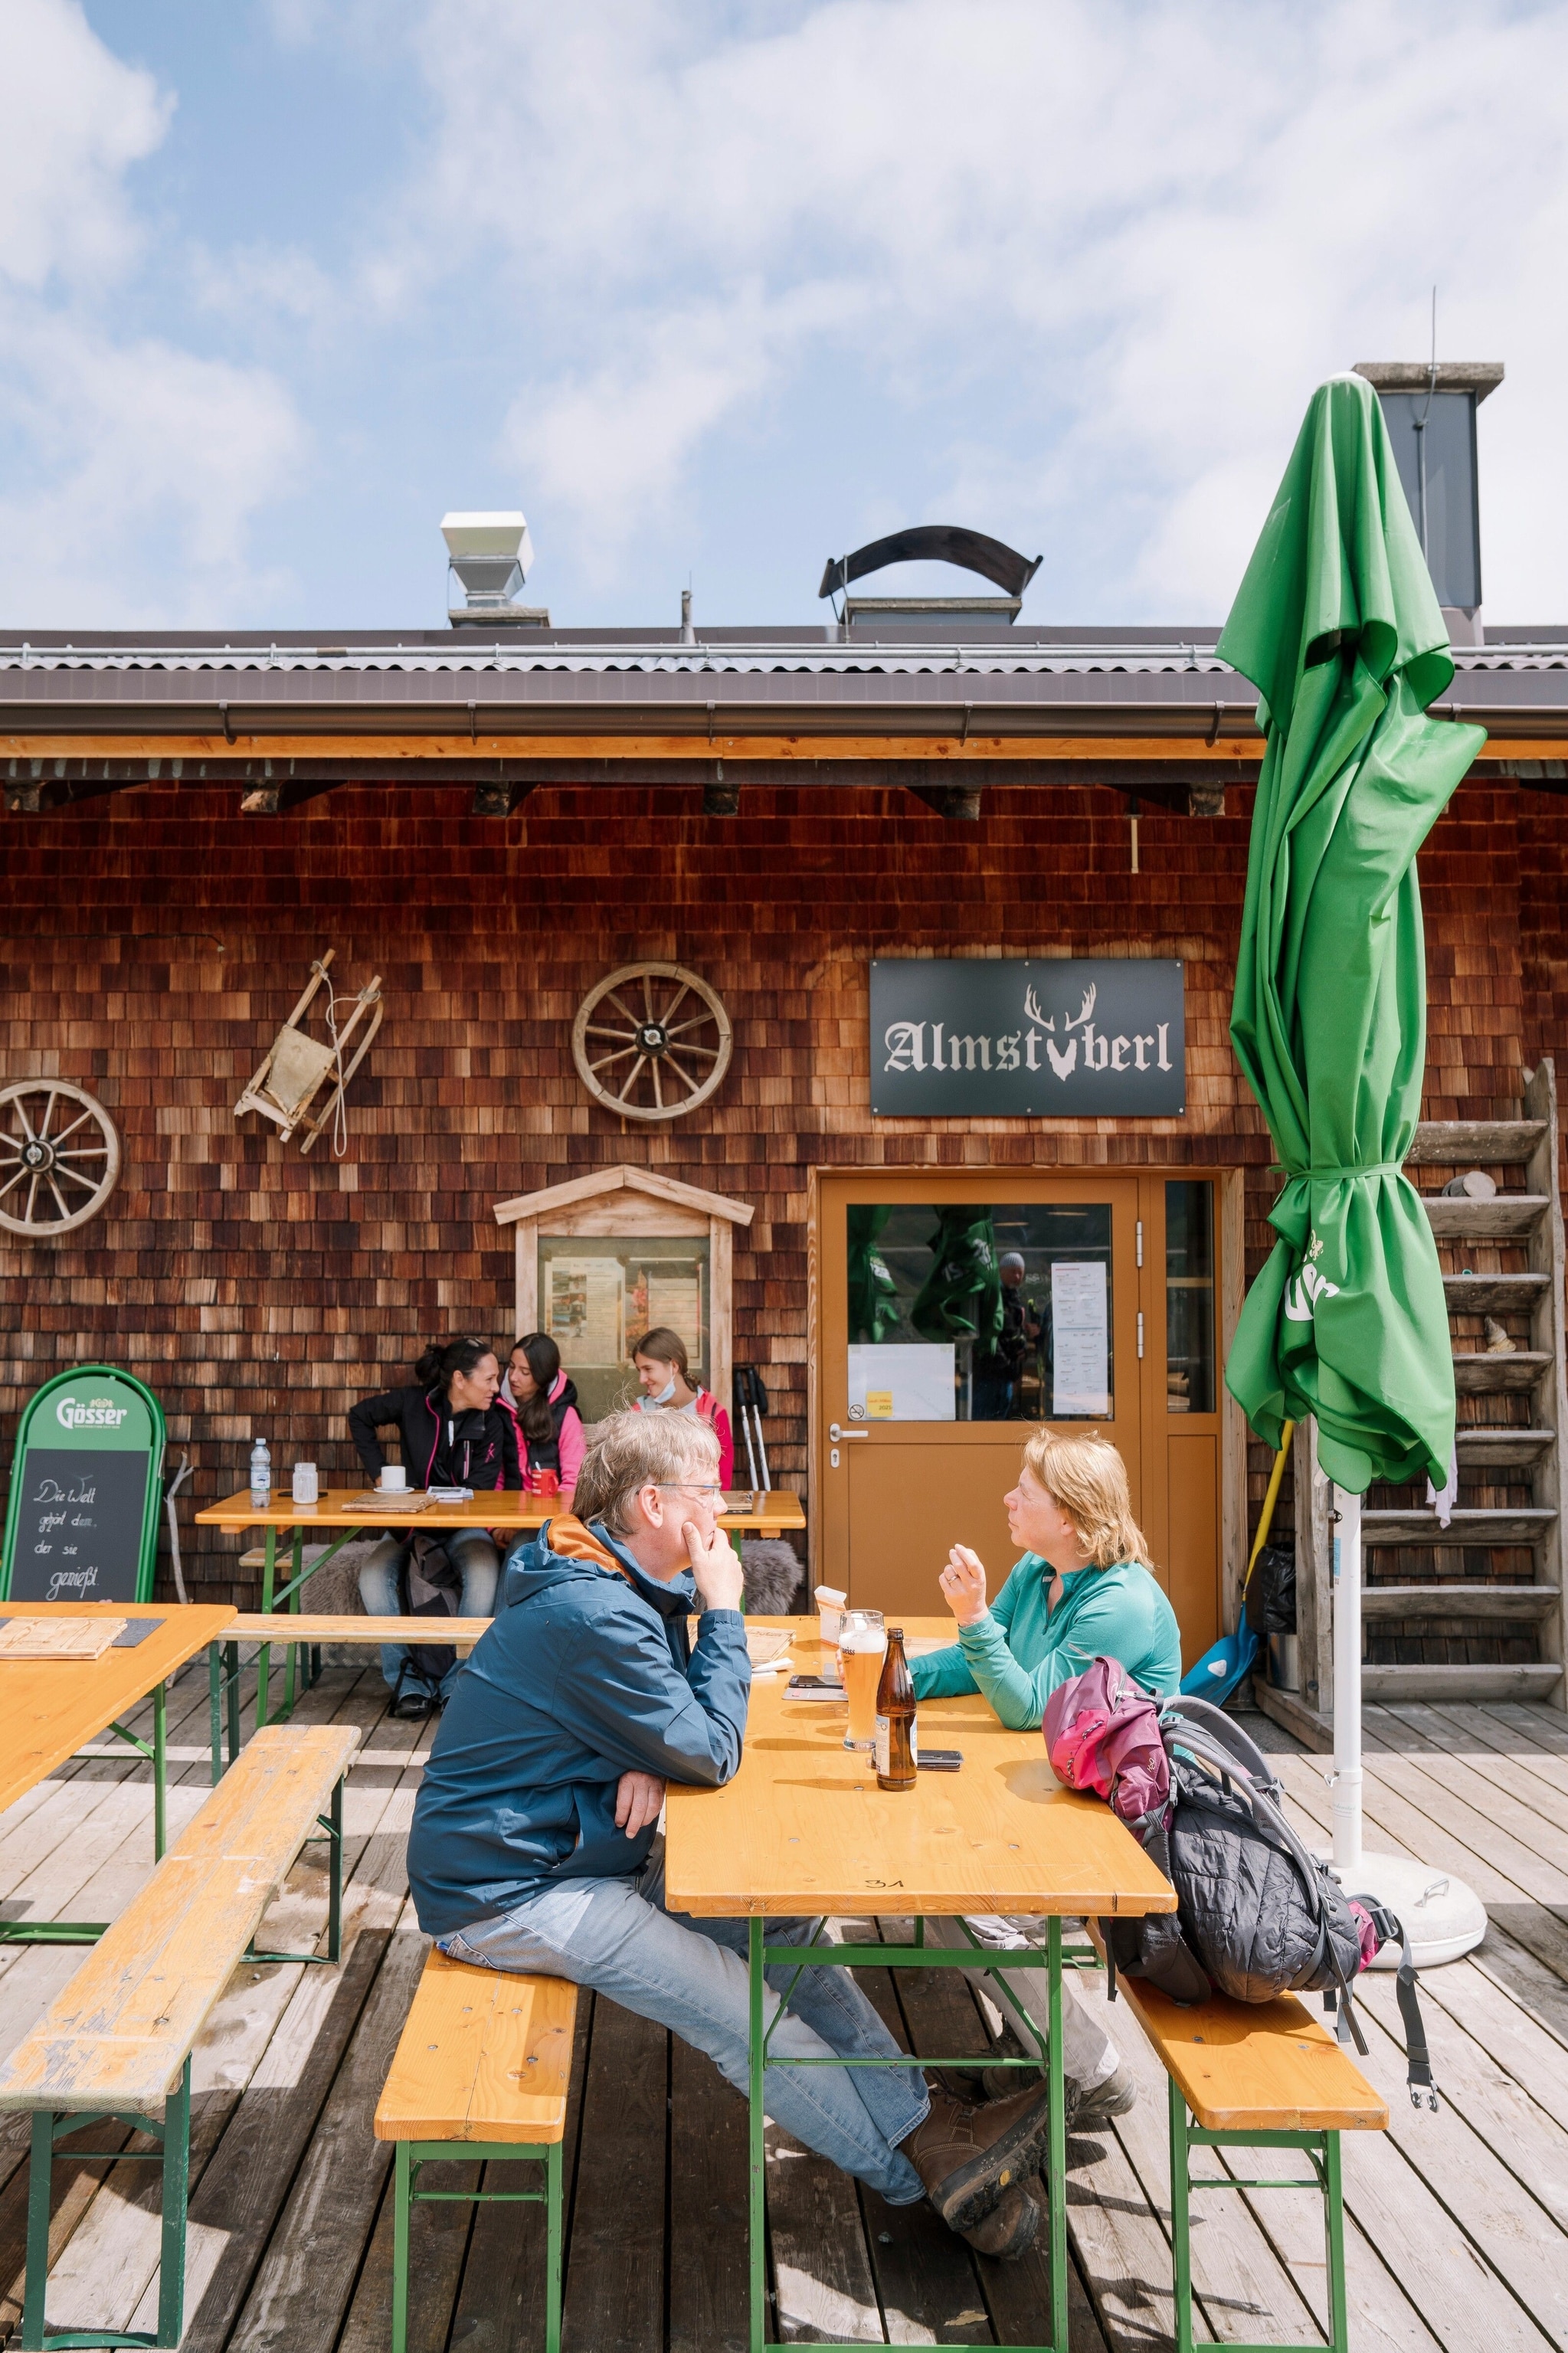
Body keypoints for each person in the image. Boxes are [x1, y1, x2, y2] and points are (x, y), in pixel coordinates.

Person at [406, 1409, 1058, 2260]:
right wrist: (721, 1612)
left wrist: (650, 1746)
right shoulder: (592, 1610)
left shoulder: (600, 1577)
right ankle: (927, 2184)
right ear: (652, 1504)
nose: (723, 1510)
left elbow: (676, 1726)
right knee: (739, 2008)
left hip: (573, 1848)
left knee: (779, 1932)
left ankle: (928, 2124)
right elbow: (711, 1750)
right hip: (508, 1889)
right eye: (708, 1491)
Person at [910, 1427, 1184, 2126]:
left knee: (958, 1907)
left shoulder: (1118, 1603)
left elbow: (1028, 1708)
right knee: (936, 1888)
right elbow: (977, 1661)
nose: (1006, 1499)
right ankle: (1040, 2052)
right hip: (1045, 1794)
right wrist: (889, 1680)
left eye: (1023, 1492)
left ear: (1068, 1515)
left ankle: (1091, 2070)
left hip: (1113, 1826)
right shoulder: (1037, 1571)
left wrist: (971, 1616)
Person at [348, 1337, 522, 1719]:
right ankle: (407, 1682)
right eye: (490, 1379)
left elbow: (479, 1488)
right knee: (373, 1577)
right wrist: (378, 1472)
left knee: (482, 1573)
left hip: (463, 1529)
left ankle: (458, 1684)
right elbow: (359, 1415)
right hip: (408, 1527)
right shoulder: (414, 1403)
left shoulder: (493, 1420)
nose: (497, 1387)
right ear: (460, 1379)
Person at [629, 1324, 735, 1488]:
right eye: (639, 1370)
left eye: (648, 1369)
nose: (642, 1379)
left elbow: (723, 1484)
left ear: (674, 1366)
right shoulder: (637, 1414)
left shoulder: (714, 1414)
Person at [499, 1332, 586, 1506]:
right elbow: (495, 1477)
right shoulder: (499, 1410)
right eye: (511, 1366)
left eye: (525, 1372)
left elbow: (574, 1481)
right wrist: (495, 1524)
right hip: (506, 1514)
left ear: (542, 1376)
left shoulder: (565, 1415)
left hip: (549, 1516)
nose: (513, 1377)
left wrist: (544, 1519)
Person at [971, 1251, 1030, 1420]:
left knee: (1000, 1422)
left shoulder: (1015, 1299)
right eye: (1013, 1271)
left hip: (1008, 1377)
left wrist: (1023, 1349)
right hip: (990, 1374)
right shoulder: (991, 1297)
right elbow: (989, 1334)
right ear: (1001, 1271)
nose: (1017, 1276)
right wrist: (1006, 1364)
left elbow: (1015, 1332)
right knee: (983, 1422)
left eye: (1020, 1272)